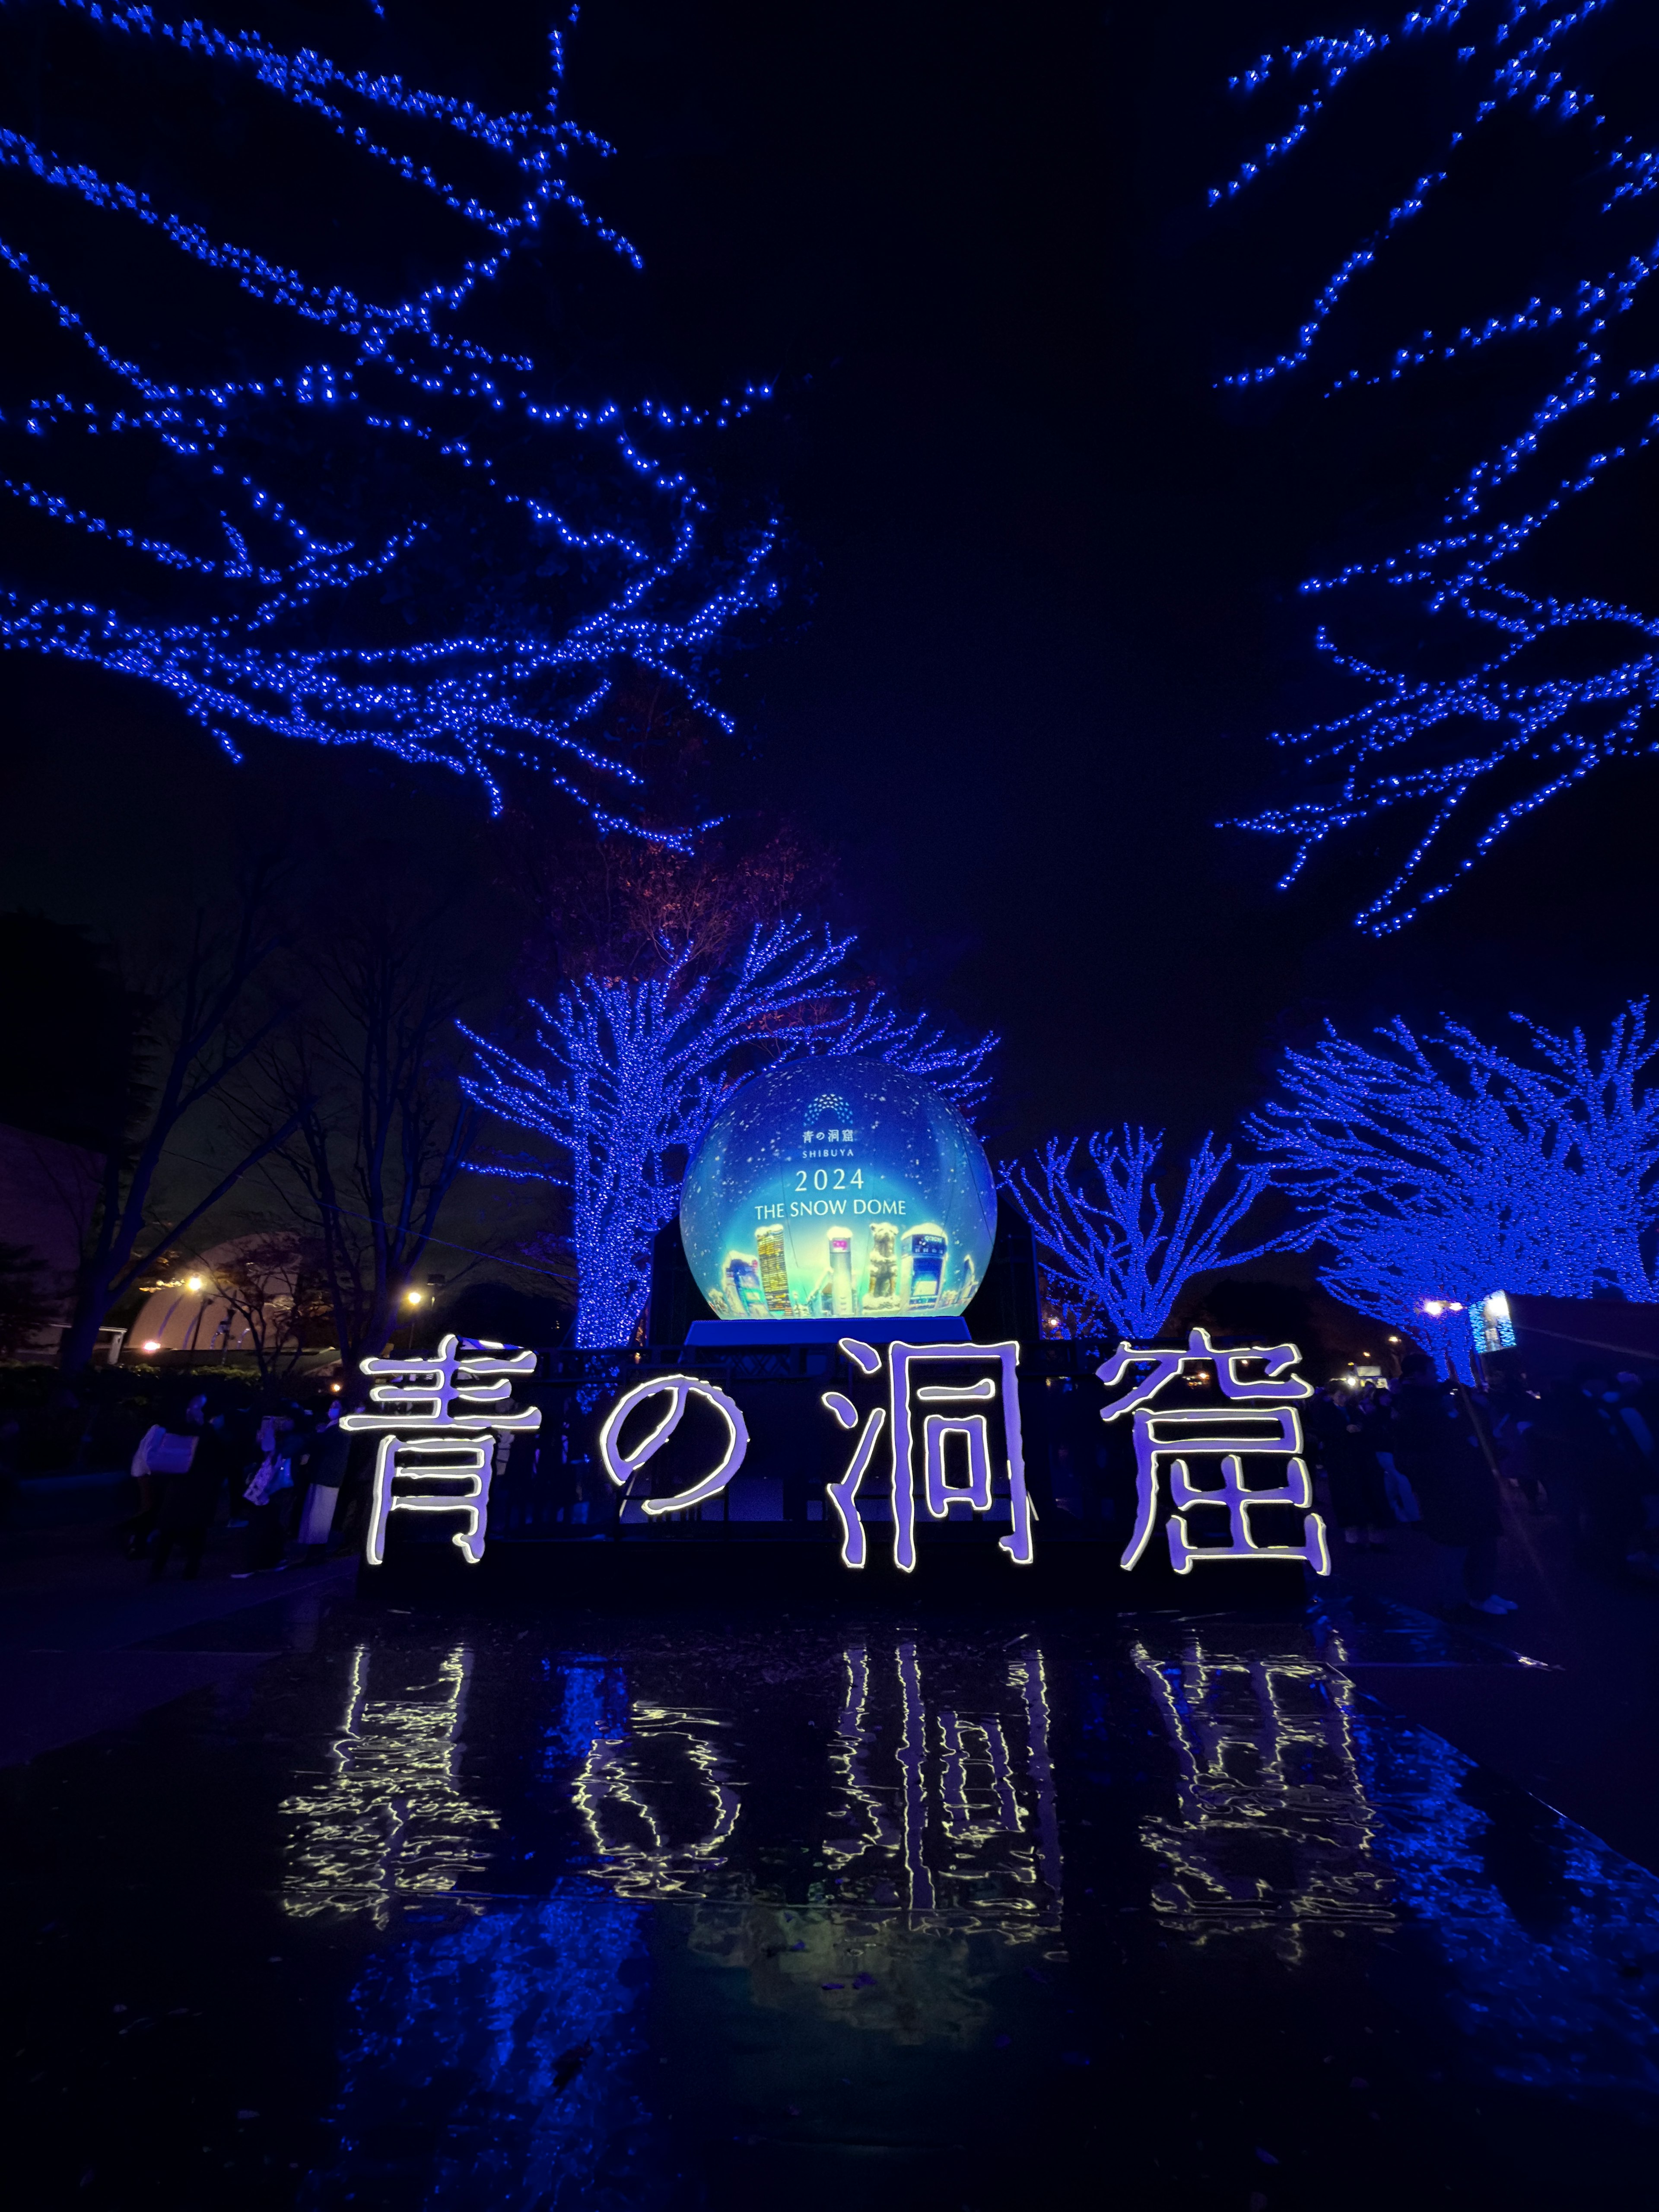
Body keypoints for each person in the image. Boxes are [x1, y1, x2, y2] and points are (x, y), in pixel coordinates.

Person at [1390, 1354, 1514, 1617]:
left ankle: (1481, 1594)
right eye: (1431, 1370)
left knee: (1482, 1541)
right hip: (1446, 1491)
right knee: (1457, 1548)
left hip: (1468, 1484)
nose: (1436, 1374)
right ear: (1417, 1376)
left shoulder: (1437, 1399)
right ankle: (1456, 1602)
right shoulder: (1411, 1407)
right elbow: (1409, 1455)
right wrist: (1446, 1460)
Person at [232, 1412, 294, 1577]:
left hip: (269, 1490)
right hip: (275, 1490)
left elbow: (269, 1458)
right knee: (271, 1526)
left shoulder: (276, 1445)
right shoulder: (287, 1443)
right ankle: (274, 1560)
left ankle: (255, 1564)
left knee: (260, 1526)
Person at [296, 1401, 349, 1557]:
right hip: (325, 1475)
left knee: (320, 1513)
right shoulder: (333, 1427)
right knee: (317, 1511)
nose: (331, 1409)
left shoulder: (339, 1429)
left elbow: (321, 1444)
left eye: (336, 1406)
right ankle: (314, 1549)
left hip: (328, 1476)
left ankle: (316, 1551)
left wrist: (319, 1435)